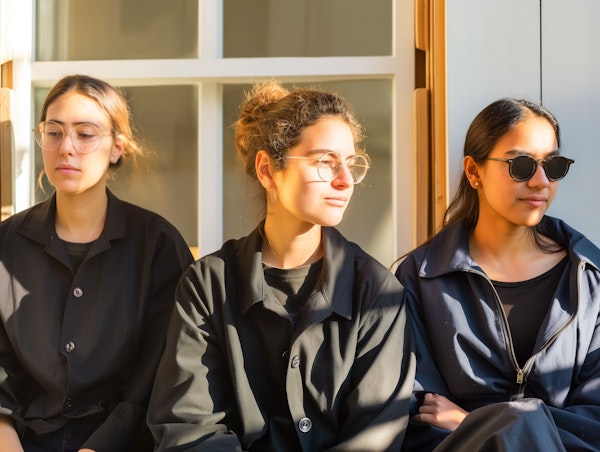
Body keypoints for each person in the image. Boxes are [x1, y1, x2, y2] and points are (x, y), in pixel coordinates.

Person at [147, 80, 415, 451]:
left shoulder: (377, 292)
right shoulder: (208, 285)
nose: (345, 181)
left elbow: (375, 436)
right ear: (267, 170)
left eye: (351, 164)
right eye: (325, 161)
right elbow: (189, 427)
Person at [0, 74, 194, 451]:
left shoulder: (157, 245)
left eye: (85, 134)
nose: (66, 147)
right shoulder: (6, 243)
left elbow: (162, 372)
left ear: (117, 147)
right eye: (53, 133)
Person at [395, 98, 600, 451]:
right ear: (474, 172)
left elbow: (595, 422)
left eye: (553, 166)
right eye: (521, 165)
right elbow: (417, 414)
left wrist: (473, 423)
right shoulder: (419, 278)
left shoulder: (588, 277)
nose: (540, 181)